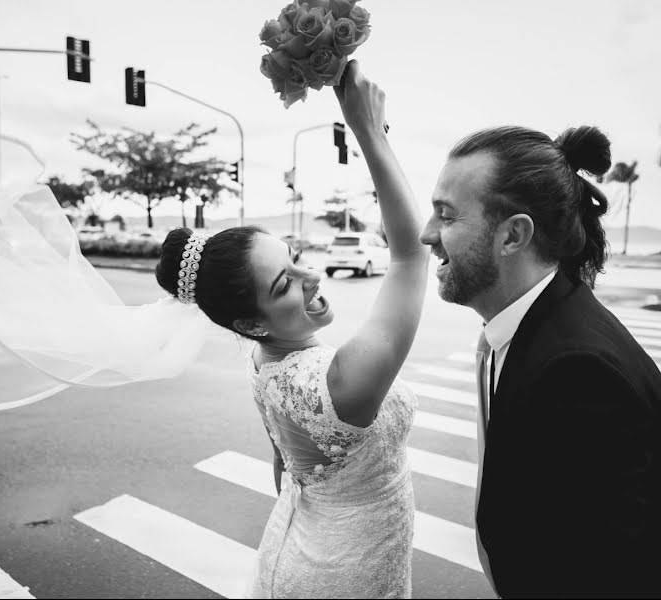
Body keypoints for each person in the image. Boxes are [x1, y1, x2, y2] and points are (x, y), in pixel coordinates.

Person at [156, 61, 428, 598]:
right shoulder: (338, 382)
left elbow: (284, 466)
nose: (312, 276)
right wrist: (368, 132)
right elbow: (410, 258)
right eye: (284, 283)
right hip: (346, 574)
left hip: (305, 546)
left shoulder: (265, 361)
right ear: (251, 323)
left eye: (296, 257)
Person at [420, 125, 661, 597]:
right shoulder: (530, 324)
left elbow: (606, 574)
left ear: (513, 235)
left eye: (446, 217)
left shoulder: (577, 372)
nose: (427, 234)